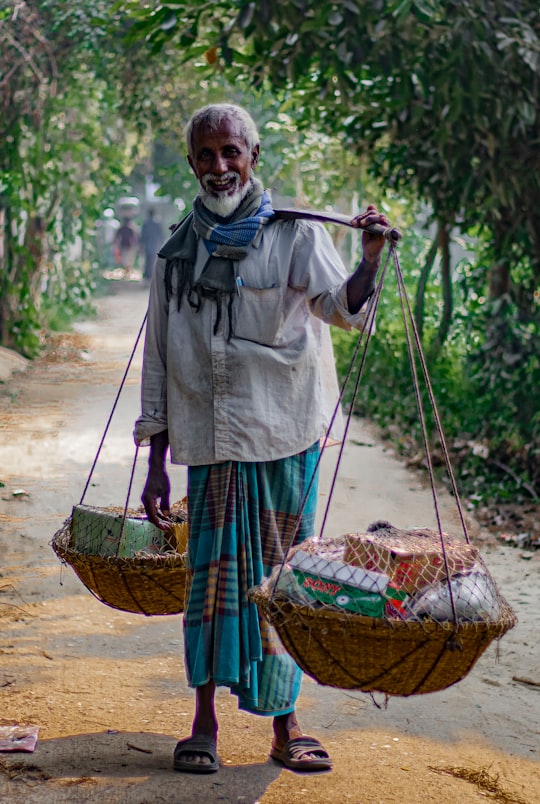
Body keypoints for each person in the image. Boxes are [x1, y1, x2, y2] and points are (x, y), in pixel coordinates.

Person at [134, 103, 390, 774]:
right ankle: (203, 723)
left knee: (284, 585)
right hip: (212, 440)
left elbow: (342, 309)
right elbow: (159, 357)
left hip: (285, 434)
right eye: (205, 155)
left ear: (253, 157)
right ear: (192, 163)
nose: (218, 166)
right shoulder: (175, 249)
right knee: (210, 584)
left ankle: (287, 724)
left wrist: (367, 262)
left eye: (230, 153)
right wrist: (155, 462)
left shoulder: (296, 235)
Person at [139, 208, 165, 280]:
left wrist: (141, 245)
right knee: (153, 260)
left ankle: (147, 276)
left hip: (147, 245)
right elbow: (161, 235)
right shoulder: (157, 223)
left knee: (148, 260)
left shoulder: (146, 223)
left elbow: (142, 236)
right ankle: (151, 276)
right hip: (156, 245)